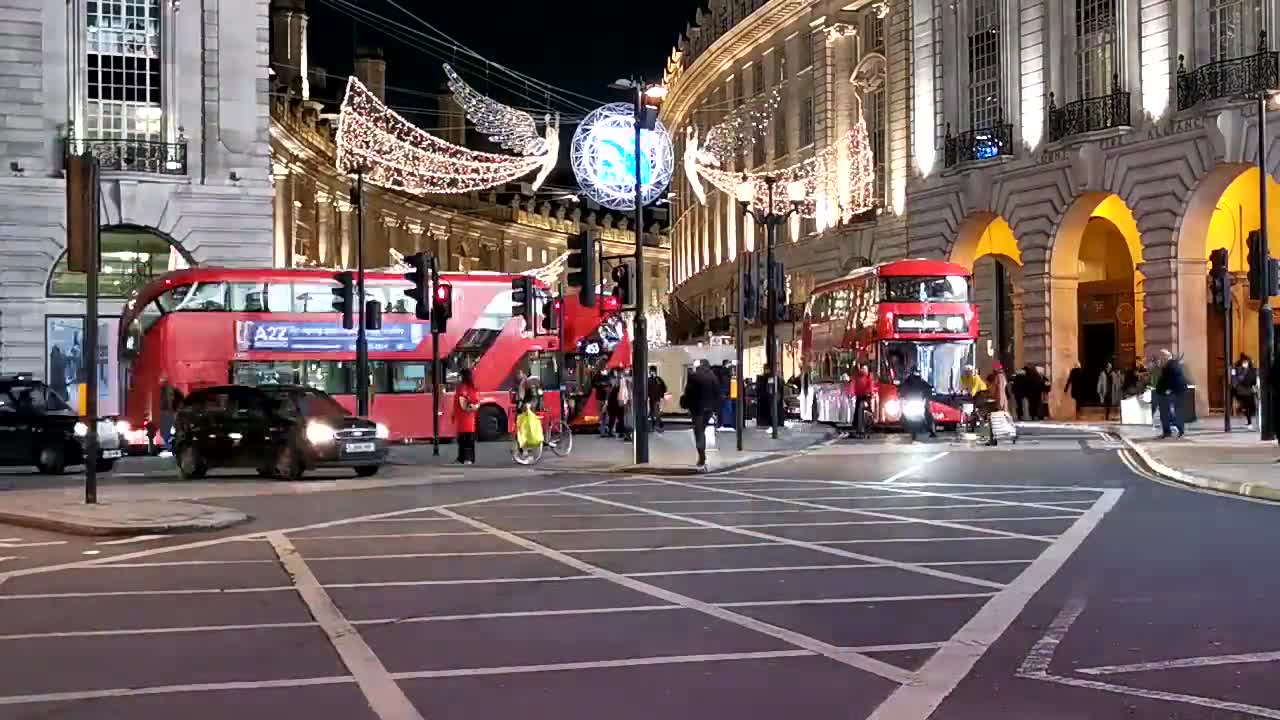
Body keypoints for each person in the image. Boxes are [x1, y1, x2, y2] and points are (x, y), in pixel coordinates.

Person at [681, 359, 721, 470]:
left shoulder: (694, 376)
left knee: (698, 432)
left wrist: (686, 405)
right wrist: (716, 409)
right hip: (709, 409)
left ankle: (701, 456)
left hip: (697, 409)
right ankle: (702, 455)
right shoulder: (713, 377)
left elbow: (688, 393)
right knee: (701, 430)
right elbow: (718, 393)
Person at [1154, 348, 1188, 438]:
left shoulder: (1170, 365)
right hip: (1173, 391)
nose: (1159, 359)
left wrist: (1168, 390)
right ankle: (1176, 430)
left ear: (1165, 357)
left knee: (1166, 412)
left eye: (1161, 357)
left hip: (1170, 392)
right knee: (1172, 412)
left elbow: (1171, 380)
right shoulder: (1172, 364)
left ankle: (1171, 431)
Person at [899, 366, 937, 439]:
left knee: (927, 414)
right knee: (902, 414)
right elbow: (902, 388)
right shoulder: (907, 381)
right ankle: (904, 426)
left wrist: (930, 391)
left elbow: (928, 387)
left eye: (917, 372)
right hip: (910, 401)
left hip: (919, 400)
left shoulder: (921, 381)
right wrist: (901, 394)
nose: (915, 373)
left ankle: (932, 431)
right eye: (914, 372)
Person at [453, 368, 478, 465]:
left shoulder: (462, 388)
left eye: (460, 376)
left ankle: (463, 458)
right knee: (469, 439)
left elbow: (462, 404)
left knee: (463, 439)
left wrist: (469, 408)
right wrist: (474, 407)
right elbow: (477, 402)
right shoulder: (473, 387)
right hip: (470, 418)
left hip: (463, 418)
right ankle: (470, 458)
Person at [1232, 353, 1258, 430]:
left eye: (1246, 362)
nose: (1245, 364)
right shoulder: (1237, 369)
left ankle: (1249, 421)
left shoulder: (1252, 370)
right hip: (1241, 391)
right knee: (1246, 406)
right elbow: (1235, 379)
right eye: (1244, 362)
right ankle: (1249, 422)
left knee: (1249, 407)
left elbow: (1254, 381)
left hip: (1248, 390)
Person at [852, 364, 875, 437]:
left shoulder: (869, 377)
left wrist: (870, 393)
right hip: (859, 395)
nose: (864, 370)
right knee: (858, 411)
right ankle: (857, 426)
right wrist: (852, 393)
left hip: (866, 396)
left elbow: (871, 385)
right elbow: (853, 384)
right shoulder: (857, 376)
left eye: (865, 369)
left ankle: (868, 426)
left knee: (868, 411)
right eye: (862, 369)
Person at [712, 360, 733, 428]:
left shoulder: (721, 373)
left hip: (722, 393)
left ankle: (721, 423)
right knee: (726, 409)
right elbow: (726, 384)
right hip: (725, 393)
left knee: (721, 409)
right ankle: (726, 423)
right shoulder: (726, 373)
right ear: (726, 364)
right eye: (729, 364)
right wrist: (727, 393)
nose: (730, 365)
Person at [647, 367, 667, 433]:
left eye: (651, 371)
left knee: (656, 411)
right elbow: (647, 388)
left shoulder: (658, 379)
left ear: (654, 371)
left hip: (656, 398)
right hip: (651, 398)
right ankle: (654, 425)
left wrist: (661, 395)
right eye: (649, 371)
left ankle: (660, 424)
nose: (650, 372)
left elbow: (664, 387)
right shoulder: (648, 379)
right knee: (652, 412)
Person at [594, 370, 613, 437]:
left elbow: (594, 384)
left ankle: (604, 430)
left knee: (604, 415)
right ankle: (604, 430)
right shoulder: (603, 377)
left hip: (601, 398)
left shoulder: (598, 376)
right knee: (604, 415)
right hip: (603, 398)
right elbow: (609, 386)